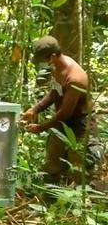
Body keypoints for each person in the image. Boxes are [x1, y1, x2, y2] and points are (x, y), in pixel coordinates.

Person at [22, 36, 93, 183]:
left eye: (43, 59)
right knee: (51, 163)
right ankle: (49, 199)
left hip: (78, 125)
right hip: (60, 124)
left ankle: (82, 202)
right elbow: (55, 92)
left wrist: (41, 127)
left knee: (79, 168)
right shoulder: (56, 67)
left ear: (53, 56)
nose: (42, 62)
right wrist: (35, 110)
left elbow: (65, 113)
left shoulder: (75, 79)